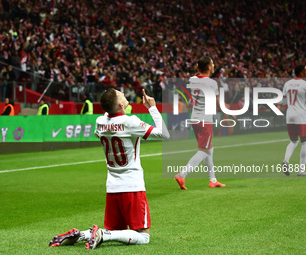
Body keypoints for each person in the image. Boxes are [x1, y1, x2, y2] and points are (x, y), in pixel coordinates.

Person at [49, 88, 169, 250]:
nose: (125, 95)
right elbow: (164, 134)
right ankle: (104, 235)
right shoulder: (130, 122)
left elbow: (105, 123)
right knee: (143, 236)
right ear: (120, 105)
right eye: (122, 95)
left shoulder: (100, 122)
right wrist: (152, 108)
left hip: (112, 187)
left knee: (115, 229)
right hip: (132, 186)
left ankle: (81, 234)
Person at [174, 56, 226, 189]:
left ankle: (213, 180)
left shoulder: (192, 80)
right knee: (203, 150)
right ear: (208, 67)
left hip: (195, 118)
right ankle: (182, 174)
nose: (214, 65)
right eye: (212, 63)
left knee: (209, 148)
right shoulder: (212, 83)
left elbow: (197, 76)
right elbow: (218, 103)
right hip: (205, 120)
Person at [282, 65, 306, 176]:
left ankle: (286, 159)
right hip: (302, 116)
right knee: (305, 141)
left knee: (293, 141)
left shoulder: (287, 84)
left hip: (290, 116)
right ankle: (301, 170)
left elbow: (284, 103)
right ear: (301, 73)